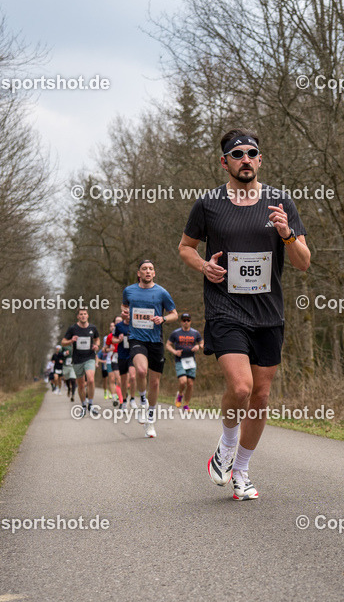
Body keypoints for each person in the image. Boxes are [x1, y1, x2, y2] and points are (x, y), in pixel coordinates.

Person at [178, 129, 310, 500]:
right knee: (241, 388)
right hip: (226, 309)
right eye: (237, 154)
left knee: (261, 397)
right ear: (225, 162)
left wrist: (286, 234)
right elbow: (185, 248)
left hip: (268, 313)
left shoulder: (280, 203)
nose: (245, 159)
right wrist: (204, 266)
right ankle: (225, 447)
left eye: (252, 153)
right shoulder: (208, 205)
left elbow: (303, 263)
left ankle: (242, 470)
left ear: (260, 160)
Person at [121, 260, 177, 438]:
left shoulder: (161, 292)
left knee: (155, 382)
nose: (147, 271)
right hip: (137, 338)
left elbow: (174, 313)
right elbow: (124, 307)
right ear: (139, 273)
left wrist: (164, 319)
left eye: (151, 269)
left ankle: (150, 419)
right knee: (141, 370)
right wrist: (125, 314)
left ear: (154, 273)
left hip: (156, 341)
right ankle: (143, 400)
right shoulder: (129, 290)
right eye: (144, 269)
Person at [61, 308, 100, 415]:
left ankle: (91, 405)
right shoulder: (73, 328)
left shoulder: (93, 328)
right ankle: (83, 406)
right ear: (78, 316)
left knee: (91, 380)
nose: (83, 316)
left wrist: (96, 345)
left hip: (90, 357)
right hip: (77, 359)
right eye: (81, 314)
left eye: (85, 314)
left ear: (88, 315)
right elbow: (63, 342)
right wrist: (71, 340)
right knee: (81, 385)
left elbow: (97, 339)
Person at [166, 313, 203, 411]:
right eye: (184, 320)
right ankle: (180, 394)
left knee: (190, 384)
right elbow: (168, 345)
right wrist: (174, 352)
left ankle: (186, 404)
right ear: (181, 321)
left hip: (191, 360)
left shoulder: (195, 333)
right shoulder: (175, 333)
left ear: (190, 321)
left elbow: (202, 343)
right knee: (183, 382)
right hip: (180, 360)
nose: (186, 322)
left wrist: (198, 346)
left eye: (188, 320)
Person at [112, 316, 138, 409]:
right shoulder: (119, 326)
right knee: (123, 380)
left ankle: (132, 399)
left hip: (133, 354)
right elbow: (113, 339)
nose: (128, 316)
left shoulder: (136, 324)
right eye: (126, 313)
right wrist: (118, 340)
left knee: (132, 376)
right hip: (122, 355)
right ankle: (124, 401)